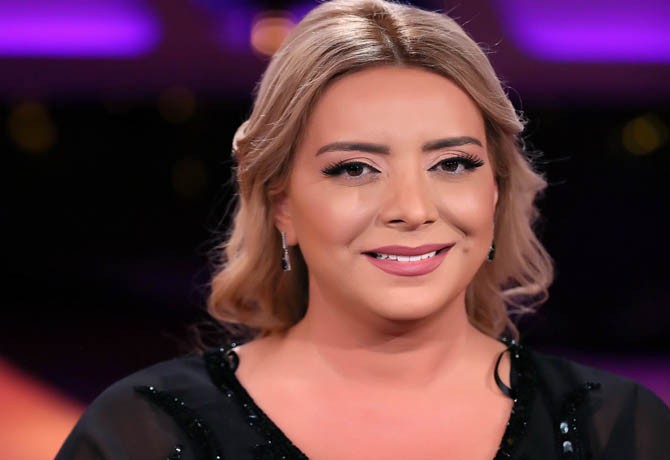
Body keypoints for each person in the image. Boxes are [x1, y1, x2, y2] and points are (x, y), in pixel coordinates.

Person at [56, 0, 669, 459]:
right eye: (354, 169)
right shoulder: (143, 433)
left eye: (452, 163)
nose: (412, 208)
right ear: (281, 205)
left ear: (496, 192)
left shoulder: (617, 428)